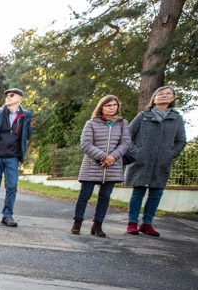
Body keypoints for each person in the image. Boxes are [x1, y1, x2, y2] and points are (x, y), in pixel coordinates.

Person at [124, 85, 187, 237]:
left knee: (156, 193)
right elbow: (127, 136)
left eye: (168, 93)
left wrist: (170, 154)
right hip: (141, 161)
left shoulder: (176, 118)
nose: (164, 95)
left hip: (162, 162)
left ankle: (147, 224)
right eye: (161, 93)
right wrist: (136, 152)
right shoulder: (143, 115)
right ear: (154, 98)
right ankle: (132, 223)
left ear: (172, 99)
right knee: (138, 191)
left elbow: (181, 141)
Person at [72, 95, 131, 237]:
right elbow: (86, 144)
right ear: (101, 107)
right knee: (84, 195)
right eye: (108, 105)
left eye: (114, 105)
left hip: (113, 166)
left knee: (105, 197)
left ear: (117, 107)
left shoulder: (123, 123)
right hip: (92, 165)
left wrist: (113, 157)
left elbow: (125, 143)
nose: (111, 107)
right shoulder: (91, 123)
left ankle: (97, 226)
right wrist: (104, 156)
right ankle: (77, 223)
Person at [0, 88, 32, 227]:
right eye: (6, 96)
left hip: (12, 158)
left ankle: (7, 216)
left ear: (20, 98)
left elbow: (27, 135)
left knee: (12, 186)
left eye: (11, 95)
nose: (8, 97)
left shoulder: (26, 116)